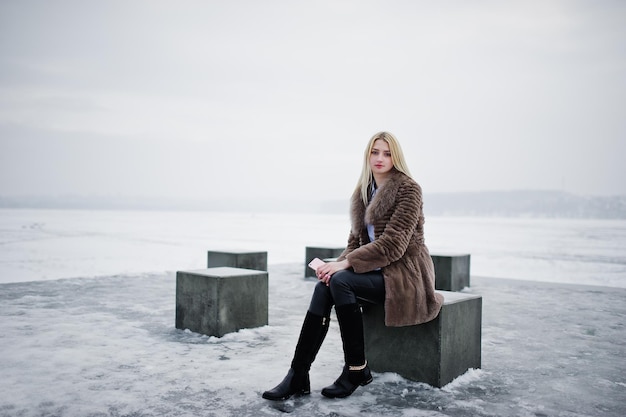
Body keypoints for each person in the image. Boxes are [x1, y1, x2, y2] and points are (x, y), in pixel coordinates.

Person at [262, 131, 444, 400]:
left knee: (341, 280)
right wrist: (332, 266)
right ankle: (298, 374)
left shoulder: (408, 189)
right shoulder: (363, 192)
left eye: (387, 152)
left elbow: (394, 246)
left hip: (404, 276)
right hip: (374, 272)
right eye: (375, 152)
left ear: (396, 157)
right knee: (326, 286)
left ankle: (356, 368)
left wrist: (345, 266)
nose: (380, 158)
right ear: (367, 155)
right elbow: (354, 243)